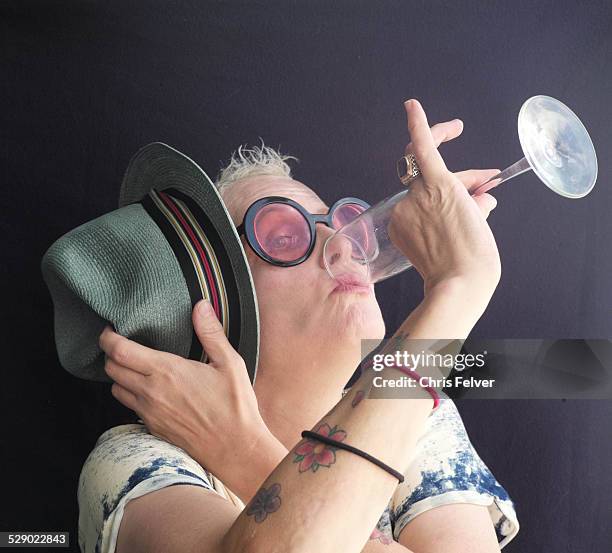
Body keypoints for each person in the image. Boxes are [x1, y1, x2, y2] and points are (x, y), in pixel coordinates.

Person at [78, 99, 519, 552]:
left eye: (344, 226)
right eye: (285, 238)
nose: (342, 245)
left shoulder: (418, 415)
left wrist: (243, 452)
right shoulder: (136, 464)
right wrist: (459, 287)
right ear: (216, 306)